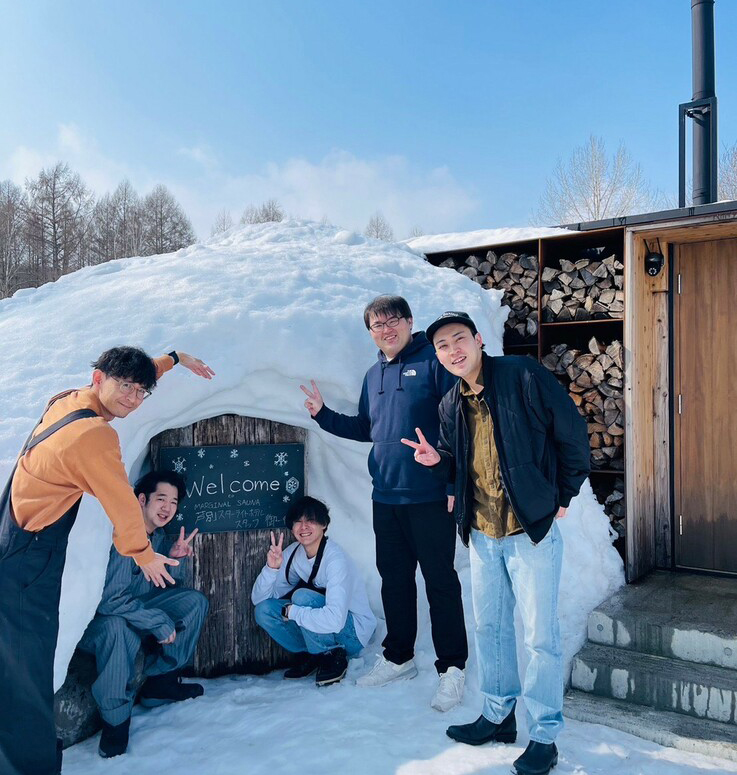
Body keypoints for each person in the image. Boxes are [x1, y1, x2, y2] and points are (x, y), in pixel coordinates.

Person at [0, 346, 214, 775]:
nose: (133, 399)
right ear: (99, 378)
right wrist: (144, 554)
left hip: (17, 534)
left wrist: (172, 359)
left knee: (21, 663)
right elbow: (120, 500)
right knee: (27, 668)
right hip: (29, 557)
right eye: (126, 389)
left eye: (142, 392)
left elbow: (131, 376)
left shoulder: (69, 398)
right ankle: (28, 764)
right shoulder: (94, 435)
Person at [402, 311, 590, 775]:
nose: (453, 351)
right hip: (483, 535)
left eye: (459, 339)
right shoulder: (451, 404)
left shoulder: (521, 376)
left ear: (479, 339)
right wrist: (436, 459)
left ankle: (544, 735)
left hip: (530, 530)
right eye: (443, 346)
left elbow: (572, 432)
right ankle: (498, 714)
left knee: (539, 637)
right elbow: (458, 463)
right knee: (491, 629)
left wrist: (564, 493)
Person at [300, 295, 467, 711]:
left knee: (440, 581)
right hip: (386, 495)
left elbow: (461, 424)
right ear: (370, 332)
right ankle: (399, 656)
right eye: (377, 324)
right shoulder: (373, 374)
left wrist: (452, 482)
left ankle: (452, 668)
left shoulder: (434, 363)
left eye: (393, 320)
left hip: (430, 496)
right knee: (394, 580)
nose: (386, 329)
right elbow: (365, 427)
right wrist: (323, 414)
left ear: (410, 322)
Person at [79, 470, 209, 758]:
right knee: (117, 629)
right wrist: (158, 622)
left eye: (174, 502)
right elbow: (110, 602)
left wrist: (176, 557)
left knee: (193, 603)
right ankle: (116, 720)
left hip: (135, 610)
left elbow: (162, 586)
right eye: (161, 499)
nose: (168, 508)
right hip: (102, 622)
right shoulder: (124, 538)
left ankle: (160, 682)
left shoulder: (157, 536)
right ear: (141, 499)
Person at [252, 496, 376, 686]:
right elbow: (260, 600)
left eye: (311, 521)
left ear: (324, 525)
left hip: (353, 633)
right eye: (298, 522)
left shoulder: (335, 560)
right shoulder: (294, 553)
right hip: (323, 625)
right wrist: (271, 569)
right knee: (264, 611)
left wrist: (294, 612)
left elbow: (335, 620)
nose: (304, 528)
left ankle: (332, 655)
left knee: (301, 597)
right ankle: (314, 653)